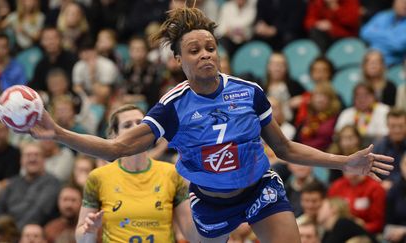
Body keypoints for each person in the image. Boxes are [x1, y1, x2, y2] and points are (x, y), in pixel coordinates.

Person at [28, 7, 393, 242]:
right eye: (194, 50)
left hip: (258, 189)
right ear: (177, 59)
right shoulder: (172, 106)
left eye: (210, 47)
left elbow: (285, 149)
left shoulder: (249, 92)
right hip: (209, 203)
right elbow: (117, 148)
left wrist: (344, 161)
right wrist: (57, 133)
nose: (205, 54)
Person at [74, 104, 197, 242]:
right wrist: (89, 231)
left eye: (140, 123)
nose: (135, 129)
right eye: (127, 125)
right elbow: (81, 239)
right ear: (115, 135)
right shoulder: (98, 177)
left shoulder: (172, 174)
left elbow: (192, 235)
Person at [0, 142, 61, 230]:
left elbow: (39, 212)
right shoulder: (12, 183)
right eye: (28, 155)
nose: (32, 159)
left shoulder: (52, 183)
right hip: (5, 233)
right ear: (21, 160)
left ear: (44, 159)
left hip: (32, 233)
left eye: (37, 155)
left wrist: (13, 234)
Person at [360, 0, 406, 66]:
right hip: (371, 60)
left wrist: (377, 34)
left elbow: (397, 45)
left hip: (393, 64)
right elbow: (365, 33)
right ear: (394, 3)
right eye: (402, 2)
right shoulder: (382, 16)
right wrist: (391, 36)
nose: (404, 6)